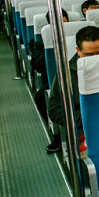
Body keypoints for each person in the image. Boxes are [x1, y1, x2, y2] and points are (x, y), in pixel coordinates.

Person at [29, 9, 70, 154]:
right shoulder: (40, 42)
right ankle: (58, 136)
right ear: (49, 24)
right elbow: (37, 66)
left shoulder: (79, 36)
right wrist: (50, 44)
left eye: (63, 19)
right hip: (54, 81)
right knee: (41, 96)